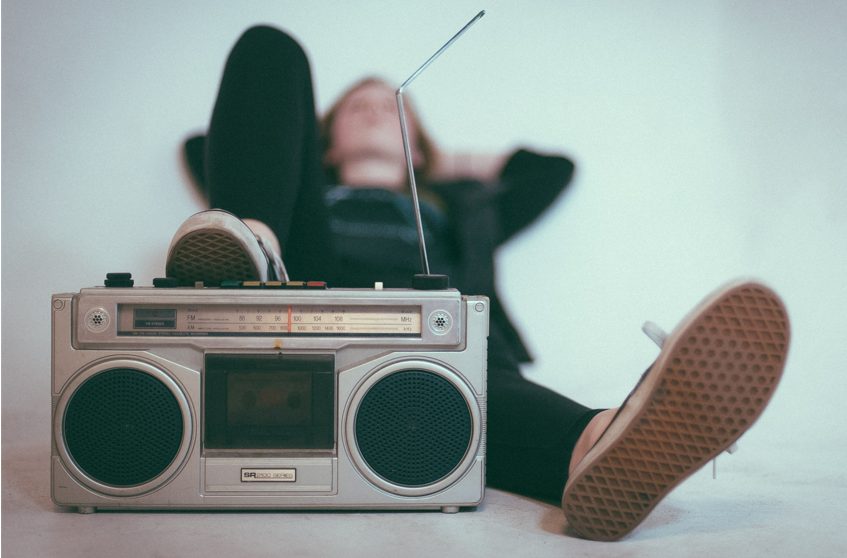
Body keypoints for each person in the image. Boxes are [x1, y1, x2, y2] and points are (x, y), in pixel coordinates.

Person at [167, 25, 790, 541]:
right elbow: (209, 146)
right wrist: (293, 167)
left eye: (393, 109)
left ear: (419, 146)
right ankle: (252, 251)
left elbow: (551, 171)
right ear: (324, 137)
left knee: (472, 370)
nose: (375, 111)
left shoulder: (465, 206)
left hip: (436, 338)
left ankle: (600, 443)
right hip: (306, 297)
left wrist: (438, 160)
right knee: (271, 45)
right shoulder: (306, 194)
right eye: (358, 108)